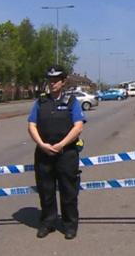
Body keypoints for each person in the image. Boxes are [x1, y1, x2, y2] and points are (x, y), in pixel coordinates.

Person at [27, 65, 86, 240]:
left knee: (69, 191)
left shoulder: (71, 102)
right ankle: (48, 223)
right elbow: (31, 125)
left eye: (56, 80)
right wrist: (42, 144)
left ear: (63, 82)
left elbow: (78, 126)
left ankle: (70, 225)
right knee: (46, 191)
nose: (52, 84)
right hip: (44, 153)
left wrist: (61, 145)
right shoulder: (40, 102)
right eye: (50, 80)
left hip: (66, 153)